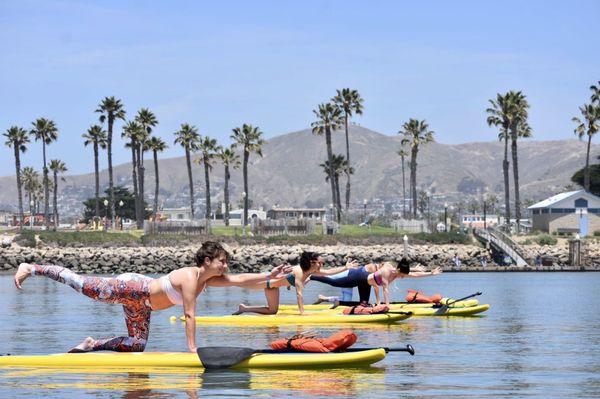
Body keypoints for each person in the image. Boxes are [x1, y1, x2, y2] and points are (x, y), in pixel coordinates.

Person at [13, 241, 291, 353]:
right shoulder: (191, 279)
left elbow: (243, 280)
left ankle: (91, 344)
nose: (225, 266)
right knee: (82, 284)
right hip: (133, 289)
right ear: (207, 260)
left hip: (143, 306)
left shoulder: (209, 279)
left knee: (136, 345)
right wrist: (192, 350)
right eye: (221, 261)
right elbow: (190, 314)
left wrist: (271, 276)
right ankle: (32, 267)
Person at [232, 251, 358, 315]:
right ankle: (243, 307)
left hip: (275, 285)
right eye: (320, 263)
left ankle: (244, 308)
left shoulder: (310, 271)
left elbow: (330, 272)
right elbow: (299, 294)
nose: (322, 265)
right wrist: (302, 312)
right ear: (312, 262)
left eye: (322, 263)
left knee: (272, 310)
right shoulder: (300, 272)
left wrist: (346, 268)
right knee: (271, 310)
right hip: (269, 284)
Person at [311, 258, 442, 306]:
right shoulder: (387, 272)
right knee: (336, 283)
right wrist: (386, 305)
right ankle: (311, 276)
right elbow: (385, 289)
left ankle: (338, 303)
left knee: (363, 304)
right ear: (398, 270)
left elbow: (414, 275)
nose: (403, 277)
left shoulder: (397, 273)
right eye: (402, 274)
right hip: (359, 276)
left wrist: (431, 273)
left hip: (367, 282)